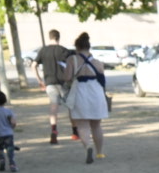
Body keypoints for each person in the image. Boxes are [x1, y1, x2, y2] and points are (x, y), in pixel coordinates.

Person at [62, 33, 110, 164]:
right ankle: (100, 152)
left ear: (77, 47)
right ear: (89, 47)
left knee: (82, 125)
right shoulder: (98, 62)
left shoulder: (72, 60)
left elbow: (66, 78)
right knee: (96, 125)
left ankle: (88, 146)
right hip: (96, 92)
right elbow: (102, 80)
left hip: (80, 92)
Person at [35, 29, 76, 143]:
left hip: (49, 82)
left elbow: (34, 65)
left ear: (49, 37)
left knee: (53, 107)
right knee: (70, 106)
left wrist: (39, 80)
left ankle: (54, 130)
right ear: (59, 37)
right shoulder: (64, 51)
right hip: (64, 82)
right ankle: (75, 131)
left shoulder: (43, 51)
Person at [0, 89, 18, 173]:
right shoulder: (8, 111)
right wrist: (13, 126)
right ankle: (12, 163)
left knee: (0, 148)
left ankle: (1, 160)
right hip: (8, 133)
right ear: (5, 100)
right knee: (10, 148)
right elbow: (13, 122)